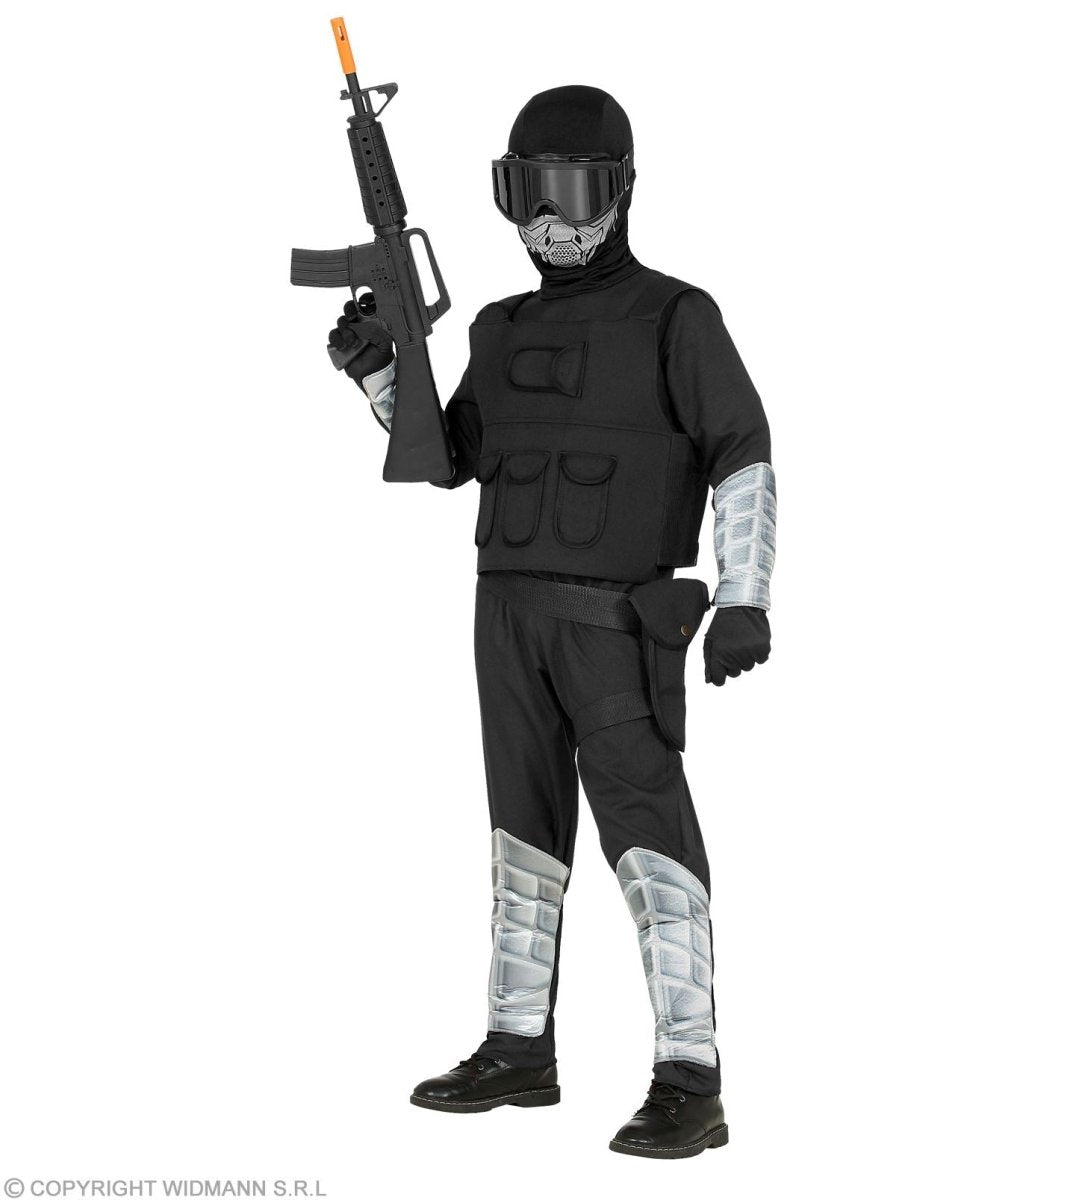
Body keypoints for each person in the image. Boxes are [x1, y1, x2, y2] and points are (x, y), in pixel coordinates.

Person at [326, 84, 775, 1159]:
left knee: (648, 841)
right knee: (519, 840)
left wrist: (745, 597)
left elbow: (742, 450)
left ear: (621, 191)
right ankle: (517, 1047)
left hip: (616, 627)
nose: (548, 219)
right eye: (528, 191)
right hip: (505, 619)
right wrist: (381, 372)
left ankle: (689, 1075)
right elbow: (448, 459)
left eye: (572, 191)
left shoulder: (677, 317)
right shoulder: (498, 328)